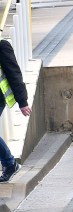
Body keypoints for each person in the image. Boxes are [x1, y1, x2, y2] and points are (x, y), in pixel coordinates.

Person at [0, 39, 30, 183]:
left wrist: (22, 101)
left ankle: (10, 163)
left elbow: (14, 72)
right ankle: (10, 163)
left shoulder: (2, 45)